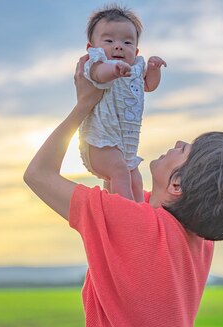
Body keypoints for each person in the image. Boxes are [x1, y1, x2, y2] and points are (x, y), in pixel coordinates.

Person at [24, 56, 223, 327]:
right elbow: (129, 194)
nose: (179, 142)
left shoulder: (135, 226)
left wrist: (85, 103)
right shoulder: (199, 236)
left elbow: (38, 174)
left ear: (178, 184)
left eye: (186, 150)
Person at [80, 5, 166, 202]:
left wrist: (153, 69)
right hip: (100, 141)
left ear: (135, 50)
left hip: (125, 145)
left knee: (134, 178)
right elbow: (98, 75)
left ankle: (141, 213)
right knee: (119, 171)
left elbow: (149, 86)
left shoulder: (135, 67)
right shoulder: (97, 64)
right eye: (109, 40)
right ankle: (127, 216)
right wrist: (114, 70)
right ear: (92, 49)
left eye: (127, 42)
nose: (118, 46)